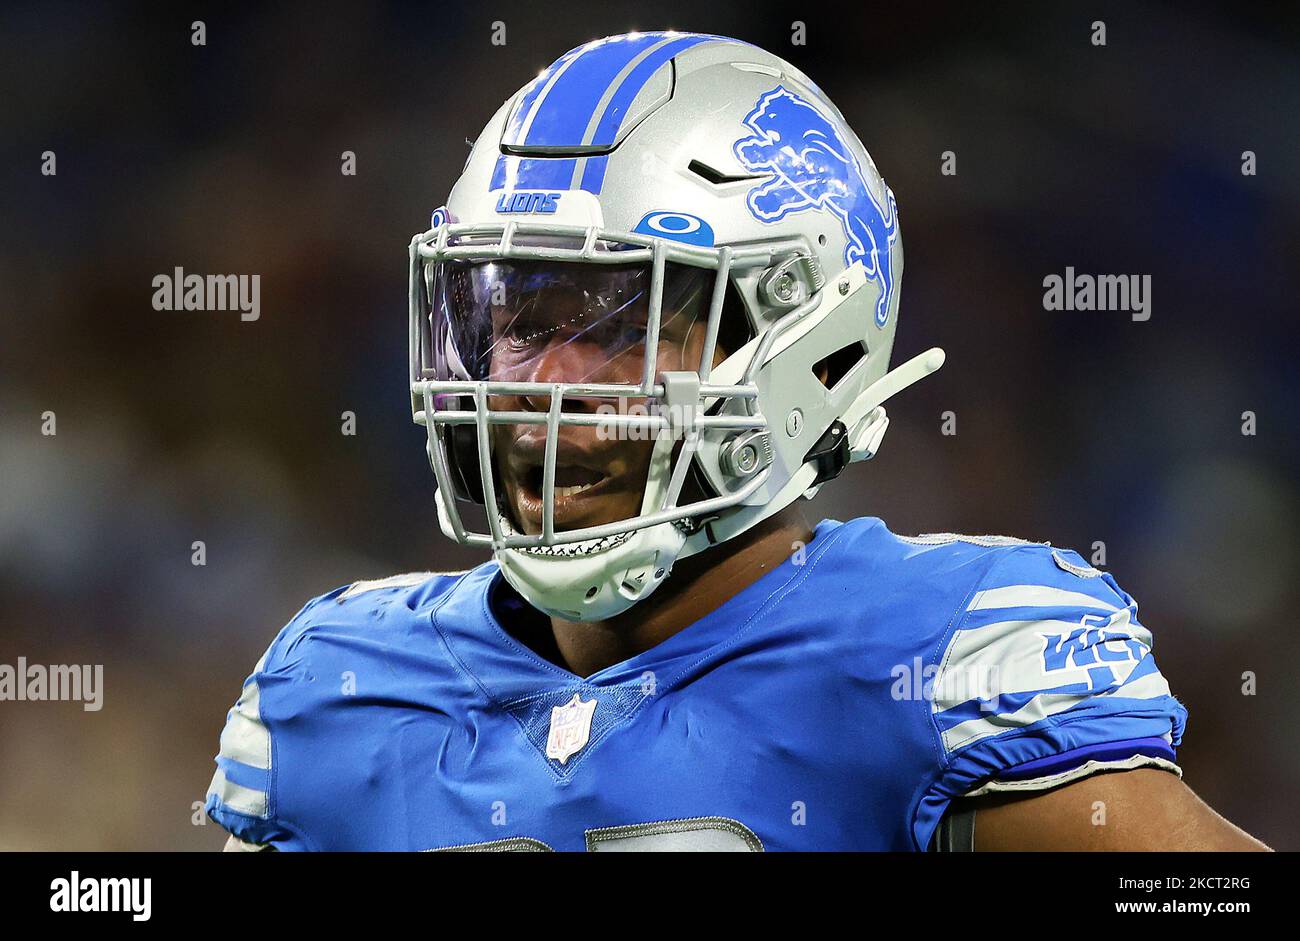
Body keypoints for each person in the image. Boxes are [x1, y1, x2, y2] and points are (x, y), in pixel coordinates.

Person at [207, 31, 1266, 851]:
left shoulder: (932, 658)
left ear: (805, 344)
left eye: (620, 323)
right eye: (523, 321)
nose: (547, 384)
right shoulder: (341, 683)